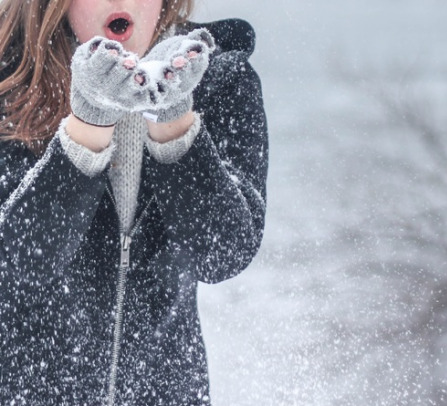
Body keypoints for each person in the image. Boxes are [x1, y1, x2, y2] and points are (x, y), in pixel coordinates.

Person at [0, 0, 268, 404]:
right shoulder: (10, 82)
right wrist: (89, 123)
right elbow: (17, 263)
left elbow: (222, 254)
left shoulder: (219, 80)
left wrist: (174, 122)